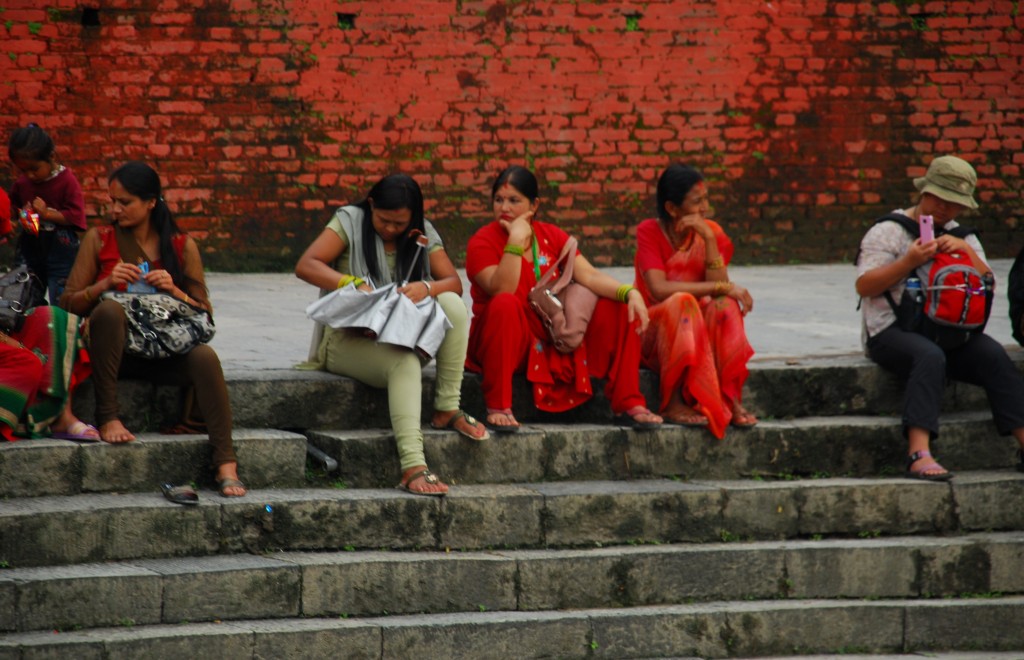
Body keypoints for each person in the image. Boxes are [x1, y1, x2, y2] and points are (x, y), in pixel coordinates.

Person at [58, 161, 246, 497]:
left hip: (164, 352)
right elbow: (68, 302)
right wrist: (105, 285)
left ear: (151, 202)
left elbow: (204, 314)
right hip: (113, 352)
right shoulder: (99, 239)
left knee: (204, 356)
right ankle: (109, 417)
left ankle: (226, 463)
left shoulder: (180, 245)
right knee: (111, 311)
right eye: (112, 201)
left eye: (125, 202)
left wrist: (174, 290)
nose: (115, 209)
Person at [296, 173, 488, 497]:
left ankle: (446, 406)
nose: (390, 229)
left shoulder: (421, 231)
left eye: (399, 224)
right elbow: (306, 264)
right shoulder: (350, 220)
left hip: (397, 333)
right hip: (346, 340)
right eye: (384, 220)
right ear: (371, 205)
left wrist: (426, 287)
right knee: (406, 364)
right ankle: (413, 466)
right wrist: (349, 283)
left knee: (453, 305)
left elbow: (454, 283)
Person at [855, 155, 1024, 479]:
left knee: (993, 355)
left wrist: (967, 252)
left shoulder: (964, 236)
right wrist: (909, 261)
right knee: (929, 356)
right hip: (891, 332)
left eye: (955, 204)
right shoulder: (887, 231)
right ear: (924, 192)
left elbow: (986, 285)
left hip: (949, 330)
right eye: (941, 200)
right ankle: (919, 453)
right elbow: (864, 285)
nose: (946, 210)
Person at [465, 165, 663, 433]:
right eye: (498, 200)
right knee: (504, 304)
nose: (504, 208)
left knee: (619, 306)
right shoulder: (482, 242)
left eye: (514, 200)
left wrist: (630, 292)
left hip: (554, 335)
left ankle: (628, 401)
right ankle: (499, 405)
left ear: (534, 205)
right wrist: (515, 240)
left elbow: (590, 277)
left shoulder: (550, 235)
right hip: (509, 341)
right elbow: (503, 288)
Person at [633, 164, 757, 439]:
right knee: (682, 302)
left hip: (696, 328)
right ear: (672, 208)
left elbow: (720, 293)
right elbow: (659, 288)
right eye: (697, 202)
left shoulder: (710, 231)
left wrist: (709, 238)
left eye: (706, 200)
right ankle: (672, 400)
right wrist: (721, 286)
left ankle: (729, 398)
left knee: (724, 306)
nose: (705, 208)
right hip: (652, 331)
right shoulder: (649, 231)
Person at [8, 124, 87, 304]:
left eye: (34, 169)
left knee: (60, 291)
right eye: (23, 170)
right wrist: (14, 219)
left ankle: (59, 325)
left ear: (51, 157)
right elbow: (13, 206)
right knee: (24, 288)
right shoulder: (22, 183)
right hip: (30, 244)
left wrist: (47, 214)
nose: (30, 175)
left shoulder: (66, 181)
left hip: (60, 246)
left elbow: (75, 216)